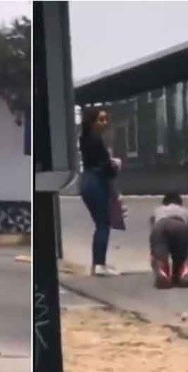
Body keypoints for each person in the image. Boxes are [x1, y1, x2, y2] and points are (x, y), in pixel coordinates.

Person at [79, 107, 122, 276]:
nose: (105, 123)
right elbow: (105, 167)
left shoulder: (85, 138)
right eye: (101, 120)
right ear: (92, 121)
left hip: (88, 182)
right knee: (103, 224)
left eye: (106, 119)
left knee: (100, 224)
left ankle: (98, 263)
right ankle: (99, 264)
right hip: (96, 183)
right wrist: (115, 165)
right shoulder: (96, 140)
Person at [150, 193, 188, 289]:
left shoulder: (157, 210)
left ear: (164, 204)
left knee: (159, 255)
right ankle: (178, 277)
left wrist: (155, 255)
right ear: (180, 203)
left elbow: (153, 239)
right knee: (180, 256)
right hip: (180, 226)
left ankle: (162, 275)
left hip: (160, 226)